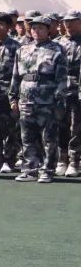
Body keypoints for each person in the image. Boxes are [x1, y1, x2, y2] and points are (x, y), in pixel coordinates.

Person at [10, 15, 67, 183]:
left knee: (48, 138)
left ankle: (47, 170)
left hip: (47, 101)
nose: (36, 31)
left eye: (41, 28)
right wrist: (13, 98)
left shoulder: (57, 50)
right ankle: (30, 169)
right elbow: (15, 76)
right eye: (34, 28)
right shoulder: (22, 49)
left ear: (48, 29)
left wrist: (58, 99)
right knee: (27, 137)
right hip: (26, 100)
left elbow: (62, 78)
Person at [0, 12, 22, 174]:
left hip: (8, 93)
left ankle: (9, 160)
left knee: (10, 129)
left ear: (9, 27)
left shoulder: (17, 47)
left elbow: (19, 73)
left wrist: (16, 96)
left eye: (1, 24)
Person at [55, 10, 81, 176]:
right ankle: (61, 159)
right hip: (59, 91)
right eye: (66, 21)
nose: (69, 24)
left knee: (76, 127)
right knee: (60, 126)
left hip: (77, 90)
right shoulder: (57, 44)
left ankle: (74, 161)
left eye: (73, 21)